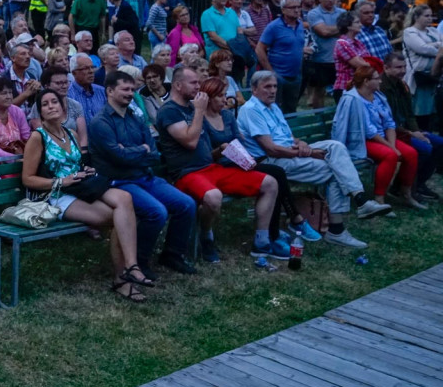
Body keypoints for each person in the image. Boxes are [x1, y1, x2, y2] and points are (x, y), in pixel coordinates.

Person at [23, 89, 151, 302]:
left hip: (81, 186)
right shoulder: (38, 138)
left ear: (63, 108)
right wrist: (60, 181)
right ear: (41, 112)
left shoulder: (71, 134)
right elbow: (28, 178)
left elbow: (78, 164)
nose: (51, 106)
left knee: (125, 201)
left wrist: (86, 171)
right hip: (57, 195)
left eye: (55, 101)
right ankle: (122, 278)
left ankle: (130, 266)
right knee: (119, 218)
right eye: (45, 104)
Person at [238, 71, 389, 250]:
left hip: (291, 152)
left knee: (335, 146)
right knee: (336, 171)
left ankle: (360, 199)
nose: (272, 91)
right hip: (273, 161)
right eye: (267, 87)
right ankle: (338, 229)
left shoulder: (272, 106)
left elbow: (288, 137)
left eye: (275, 86)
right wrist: (308, 153)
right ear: (254, 89)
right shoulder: (251, 110)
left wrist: (301, 143)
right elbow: (270, 148)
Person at [154, 67, 283, 262]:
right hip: (186, 174)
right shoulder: (169, 111)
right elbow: (190, 142)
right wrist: (199, 111)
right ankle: (207, 236)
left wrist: (221, 150)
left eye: (199, 82)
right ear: (178, 85)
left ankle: (262, 241)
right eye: (194, 83)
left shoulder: (192, 108)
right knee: (213, 197)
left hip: (212, 168)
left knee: (270, 182)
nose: (199, 87)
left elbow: (204, 148)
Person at [89, 70, 197, 277]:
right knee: (157, 212)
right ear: (110, 91)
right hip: (119, 182)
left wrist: (135, 152)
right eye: (125, 89)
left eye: (132, 89)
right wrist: (140, 150)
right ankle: (139, 261)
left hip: (144, 176)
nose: (130, 93)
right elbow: (118, 157)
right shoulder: (100, 122)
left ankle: (172, 254)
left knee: (186, 204)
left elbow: (155, 153)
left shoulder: (135, 117)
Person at [199, 77, 322, 245]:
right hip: (219, 167)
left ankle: (282, 228)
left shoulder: (227, 116)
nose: (225, 99)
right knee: (275, 173)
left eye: (224, 94)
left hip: (240, 162)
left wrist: (240, 154)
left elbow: (239, 141)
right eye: (220, 96)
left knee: (275, 173)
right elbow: (204, 155)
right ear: (209, 97)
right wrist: (221, 151)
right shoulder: (202, 120)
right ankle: (290, 223)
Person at [335, 66, 425, 211]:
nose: (380, 82)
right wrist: (392, 148)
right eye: (377, 79)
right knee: (390, 156)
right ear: (366, 81)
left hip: (382, 138)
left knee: (411, 153)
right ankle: (379, 199)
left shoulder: (378, 96)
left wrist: (392, 144)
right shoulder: (354, 99)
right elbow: (369, 131)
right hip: (362, 141)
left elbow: (389, 123)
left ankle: (406, 194)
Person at [381, 52, 443, 201]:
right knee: (424, 149)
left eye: (404, 67)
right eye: (398, 67)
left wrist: (416, 130)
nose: (402, 71)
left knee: (440, 143)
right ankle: (401, 186)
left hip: (404, 130)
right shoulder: (381, 88)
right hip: (389, 133)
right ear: (386, 68)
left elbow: (409, 114)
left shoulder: (403, 86)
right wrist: (411, 133)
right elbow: (386, 121)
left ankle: (419, 183)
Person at [255, 0, 308, 114]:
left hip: (296, 75)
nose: (296, 10)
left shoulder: (300, 25)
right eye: (292, 7)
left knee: (291, 109)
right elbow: (259, 49)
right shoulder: (274, 26)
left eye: (298, 7)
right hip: (279, 75)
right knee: (275, 109)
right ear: (283, 10)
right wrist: (271, 72)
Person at [401, 4, 443, 129]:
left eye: (431, 15)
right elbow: (422, 49)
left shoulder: (434, 30)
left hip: (435, 75)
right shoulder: (409, 32)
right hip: (417, 76)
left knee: (432, 110)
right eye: (426, 16)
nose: (430, 18)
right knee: (417, 110)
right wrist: (439, 47)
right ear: (417, 17)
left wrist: (433, 44)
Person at [306, 0, 346, 109]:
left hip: (340, 58)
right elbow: (323, 32)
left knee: (342, 90)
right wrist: (340, 28)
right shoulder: (314, 13)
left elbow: (347, 32)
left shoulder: (342, 13)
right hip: (321, 58)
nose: (330, 0)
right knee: (319, 90)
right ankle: (319, 117)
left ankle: (340, 114)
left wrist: (332, 30)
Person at [28, 67, 88, 148]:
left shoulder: (76, 105)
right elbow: (44, 136)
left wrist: (82, 154)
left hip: (75, 151)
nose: (63, 86)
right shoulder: (39, 106)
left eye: (66, 82)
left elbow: (83, 137)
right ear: (46, 86)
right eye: (58, 83)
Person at [332, 12, 370, 102]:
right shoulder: (342, 43)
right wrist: (368, 63)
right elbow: (360, 64)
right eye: (357, 22)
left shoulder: (358, 43)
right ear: (348, 26)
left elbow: (369, 61)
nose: (360, 25)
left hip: (358, 87)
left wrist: (368, 63)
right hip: (345, 88)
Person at [69, 53, 107, 124]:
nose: (91, 71)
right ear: (74, 73)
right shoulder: (68, 95)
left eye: (92, 67)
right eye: (86, 68)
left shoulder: (102, 91)